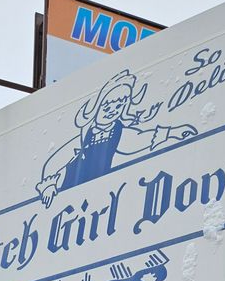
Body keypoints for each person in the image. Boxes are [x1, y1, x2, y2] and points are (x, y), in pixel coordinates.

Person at [36, 69, 196, 208]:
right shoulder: (84, 136)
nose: (112, 111)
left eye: (118, 106)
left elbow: (138, 139)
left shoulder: (117, 131)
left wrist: (172, 132)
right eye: (107, 106)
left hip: (98, 196)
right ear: (96, 108)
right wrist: (50, 185)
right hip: (70, 195)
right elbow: (54, 162)